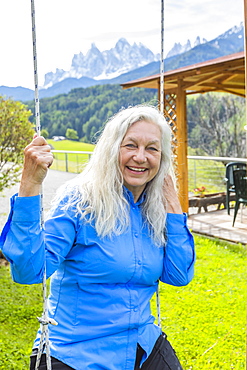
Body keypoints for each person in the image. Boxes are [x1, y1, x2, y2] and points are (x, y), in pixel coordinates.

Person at [0, 105, 195, 370]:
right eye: (130, 146)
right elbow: (29, 272)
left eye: (152, 148)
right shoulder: (79, 201)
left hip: (141, 344)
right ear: (111, 149)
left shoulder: (154, 209)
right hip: (77, 352)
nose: (141, 157)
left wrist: (172, 208)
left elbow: (179, 275)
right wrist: (30, 185)